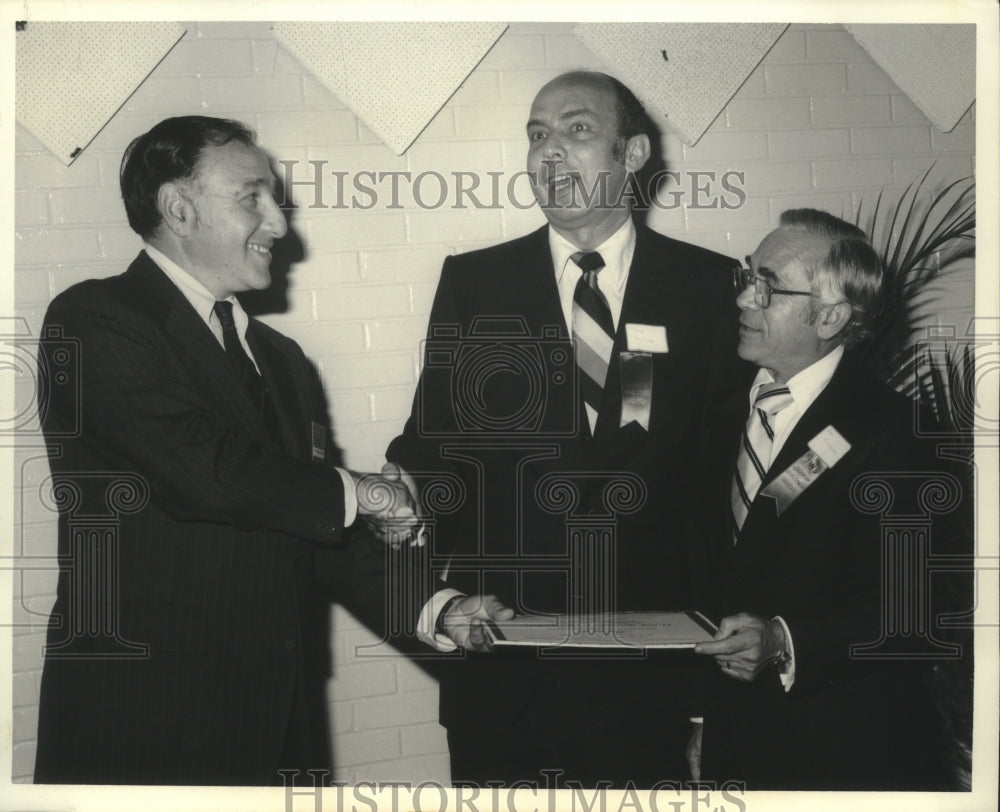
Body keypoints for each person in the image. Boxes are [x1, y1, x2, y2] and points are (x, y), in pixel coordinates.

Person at [32, 116, 432, 785]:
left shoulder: (282, 360)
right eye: (252, 198)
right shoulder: (95, 321)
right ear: (178, 208)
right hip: (143, 722)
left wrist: (434, 606)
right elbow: (207, 471)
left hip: (279, 723)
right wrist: (364, 488)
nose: (279, 225)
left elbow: (309, 522)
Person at [387, 71, 751, 787]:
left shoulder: (706, 286)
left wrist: (712, 685)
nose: (549, 154)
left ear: (634, 151)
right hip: (503, 660)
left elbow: (723, 486)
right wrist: (390, 495)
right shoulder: (475, 282)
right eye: (536, 135)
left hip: (649, 667)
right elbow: (434, 445)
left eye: (577, 130)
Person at [692, 209, 966, 790]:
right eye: (747, 277)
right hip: (732, 754)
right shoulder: (718, 418)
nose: (744, 299)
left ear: (830, 315)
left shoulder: (896, 431)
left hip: (848, 757)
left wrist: (785, 642)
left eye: (767, 285)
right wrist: (699, 718)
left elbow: (913, 612)